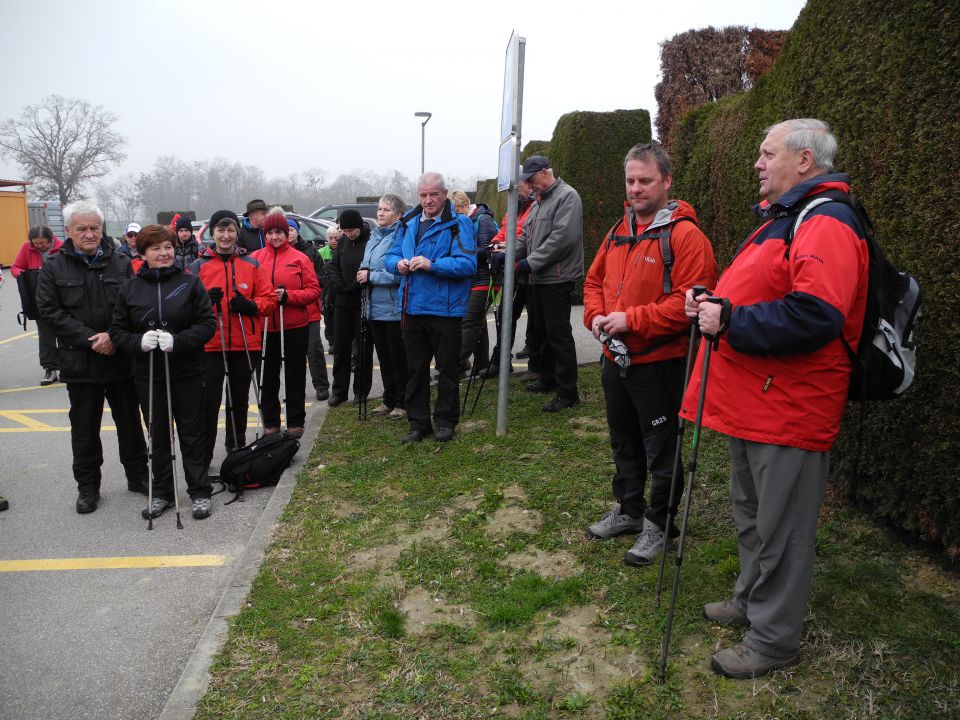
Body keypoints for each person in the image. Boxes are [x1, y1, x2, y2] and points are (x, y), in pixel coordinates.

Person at [683, 119, 869, 679]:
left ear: (805, 160)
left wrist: (731, 318)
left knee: (783, 529)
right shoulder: (786, 218)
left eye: (767, 153)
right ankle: (750, 599)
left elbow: (817, 314)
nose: (758, 163)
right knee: (753, 514)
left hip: (790, 406)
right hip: (756, 400)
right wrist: (714, 302)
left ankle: (774, 639)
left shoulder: (826, 221)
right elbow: (769, 290)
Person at [583, 142, 718, 566]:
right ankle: (628, 509)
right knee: (623, 440)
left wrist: (631, 320)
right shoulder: (617, 229)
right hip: (615, 358)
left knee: (661, 448)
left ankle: (659, 525)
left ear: (667, 181)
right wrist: (596, 318)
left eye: (645, 180)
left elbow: (688, 304)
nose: (636, 189)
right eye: (630, 181)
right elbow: (592, 282)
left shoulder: (687, 236)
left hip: (660, 363)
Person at [36, 200, 150, 513]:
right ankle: (88, 487)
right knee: (84, 430)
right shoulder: (53, 266)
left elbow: (132, 305)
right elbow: (49, 311)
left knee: (130, 424)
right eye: (82, 228)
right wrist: (92, 340)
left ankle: (139, 476)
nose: (89, 234)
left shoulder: (120, 262)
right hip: (80, 363)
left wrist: (113, 337)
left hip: (119, 359)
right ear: (69, 231)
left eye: (94, 228)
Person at [110, 225, 217, 519]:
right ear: (143, 253)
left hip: (187, 371)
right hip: (148, 373)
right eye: (155, 248)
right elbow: (117, 330)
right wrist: (138, 342)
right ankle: (162, 493)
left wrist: (179, 341)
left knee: (192, 434)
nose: (163, 253)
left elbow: (207, 324)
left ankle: (199, 491)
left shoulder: (190, 282)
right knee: (157, 433)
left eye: (167, 247)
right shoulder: (130, 288)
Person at [384, 172, 476, 443]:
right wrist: (398, 265)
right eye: (423, 195)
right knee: (415, 369)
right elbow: (390, 257)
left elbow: (468, 264)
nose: (428, 200)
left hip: (445, 310)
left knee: (447, 369)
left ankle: (445, 421)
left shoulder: (459, 224)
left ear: (445, 194)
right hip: (412, 307)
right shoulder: (407, 222)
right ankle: (418, 423)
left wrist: (431, 264)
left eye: (433, 194)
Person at [190, 210, 277, 460]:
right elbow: (185, 305)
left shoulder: (251, 263)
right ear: (212, 233)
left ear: (237, 232)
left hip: (244, 343)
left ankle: (236, 448)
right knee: (208, 402)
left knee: (238, 400)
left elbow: (269, 300)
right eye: (220, 230)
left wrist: (251, 305)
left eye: (230, 230)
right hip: (210, 345)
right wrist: (204, 302)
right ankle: (203, 455)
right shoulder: (198, 266)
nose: (226, 236)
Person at [514, 155, 584, 412]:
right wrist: (508, 255)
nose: (530, 186)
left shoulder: (568, 197)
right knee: (541, 332)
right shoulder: (538, 203)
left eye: (532, 180)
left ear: (545, 172)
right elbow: (525, 237)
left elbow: (561, 239)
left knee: (558, 335)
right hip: (539, 278)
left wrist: (529, 263)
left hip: (557, 277)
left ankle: (568, 392)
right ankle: (548, 377)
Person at [252, 209, 321, 437]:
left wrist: (288, 296)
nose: (275, 237)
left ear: (286, 233)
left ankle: (295, 422)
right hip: (265, 329)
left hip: (293, 326)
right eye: (270, 232)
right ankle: (270, 423)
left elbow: (313, 291)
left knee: (294, 376)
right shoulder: (255, 258)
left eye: (279, 232)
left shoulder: (300, 258)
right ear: (265, 234)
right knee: (268, 377)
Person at [358, 194, 407, 419]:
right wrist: (363, 273)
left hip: (393, 308)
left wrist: (372, 276)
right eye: (379, 209)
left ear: (397, 214)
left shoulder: (401, 235)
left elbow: (400, 273)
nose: (380, 213)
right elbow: (366, 265)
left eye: (386, 210)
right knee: (384, 358)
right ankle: (388, 399)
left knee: (398, 358)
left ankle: (402, 402)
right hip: (374, 308)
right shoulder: (374, 236)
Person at [484, 178, 537, 378]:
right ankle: (501, 360)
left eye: (515, 187)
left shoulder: (534, 206)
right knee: (505, 315)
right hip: (512, 269)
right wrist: (495, 243)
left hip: (527, 269)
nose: (510, 192)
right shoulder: (514, 207)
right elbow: (505, 230)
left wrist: (505, 245)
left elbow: (525, 237)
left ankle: (535, 364)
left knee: (533, 318)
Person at [451, 190, 499, 376]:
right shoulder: (466, 220)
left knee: (469, 322)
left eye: (457, 211)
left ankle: (454, 364)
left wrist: (462, 254)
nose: (455, 216)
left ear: (465, 206)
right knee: (477, 322)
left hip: (485, 278)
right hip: (472, 278)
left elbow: (487, 249)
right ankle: (481, 364)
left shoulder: (483, 220)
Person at [327, 210, 372, 406]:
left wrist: (354, 284)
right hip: (342, 301)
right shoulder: (343, 242)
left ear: (360, 227)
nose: (348, 234)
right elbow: (333, 266)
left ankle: (361, 391)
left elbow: (369, 267)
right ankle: (339, 390)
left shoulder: (370, 241)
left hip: (361, 299)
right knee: (341, 348)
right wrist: (339, 284)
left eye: (351, 230)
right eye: (344, 230)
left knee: (362, 348)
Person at [12, 226, 64, 385]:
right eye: (35, 243)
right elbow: (16, 267)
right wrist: (27, 275)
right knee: (46, 336)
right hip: (39, 299)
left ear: (51, 239)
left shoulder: (62, 247)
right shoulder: (26, 248)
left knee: (65, 334)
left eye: (42, 243)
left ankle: (68, 367)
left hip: (62, 298)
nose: (38, 246)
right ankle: (50, 369)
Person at [287, 217, 330, 402]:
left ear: (297, 231)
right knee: (290, 354)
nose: (288, 232)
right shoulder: (276, 254)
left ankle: (321, 385)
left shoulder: (311, 251)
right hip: (287, 311)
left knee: (313, 350)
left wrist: (305, 289)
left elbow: (322, 277)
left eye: (291, 229)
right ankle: (293, 391)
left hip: (309, 309)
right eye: (285, 229)